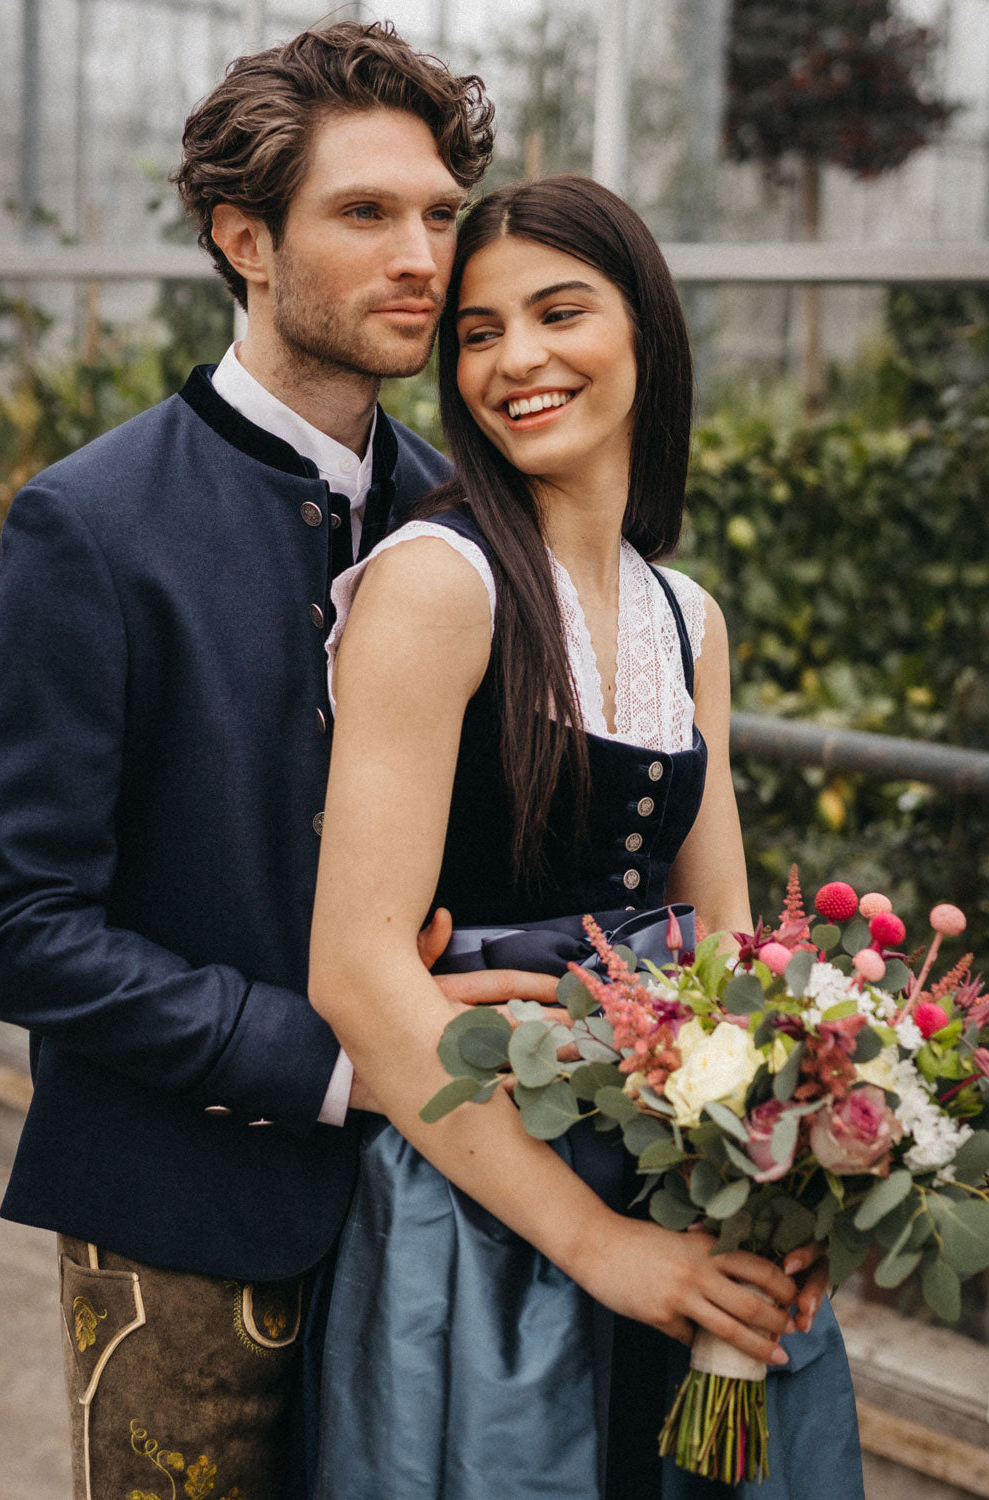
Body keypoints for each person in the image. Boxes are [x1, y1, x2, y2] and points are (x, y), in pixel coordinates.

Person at [0, 22, 561, 1500]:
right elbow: (19, 922)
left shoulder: (471, 518)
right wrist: (330, 1059)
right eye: (365, 214)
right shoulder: (88, 524)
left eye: (440, 214)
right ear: (245, 239)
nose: (423, 256)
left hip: (440, 1211)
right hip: (182, 1222)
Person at [308, 176, 864, 1498]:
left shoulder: (689, 620)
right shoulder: (438, 584)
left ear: (647, 334)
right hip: (491, 1197)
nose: (519, 360)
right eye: (482, 332)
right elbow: (357, 967)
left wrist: (808, 1154)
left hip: (685, 1171)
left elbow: (733, 950)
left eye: (561, 312)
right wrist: (608, 1248)